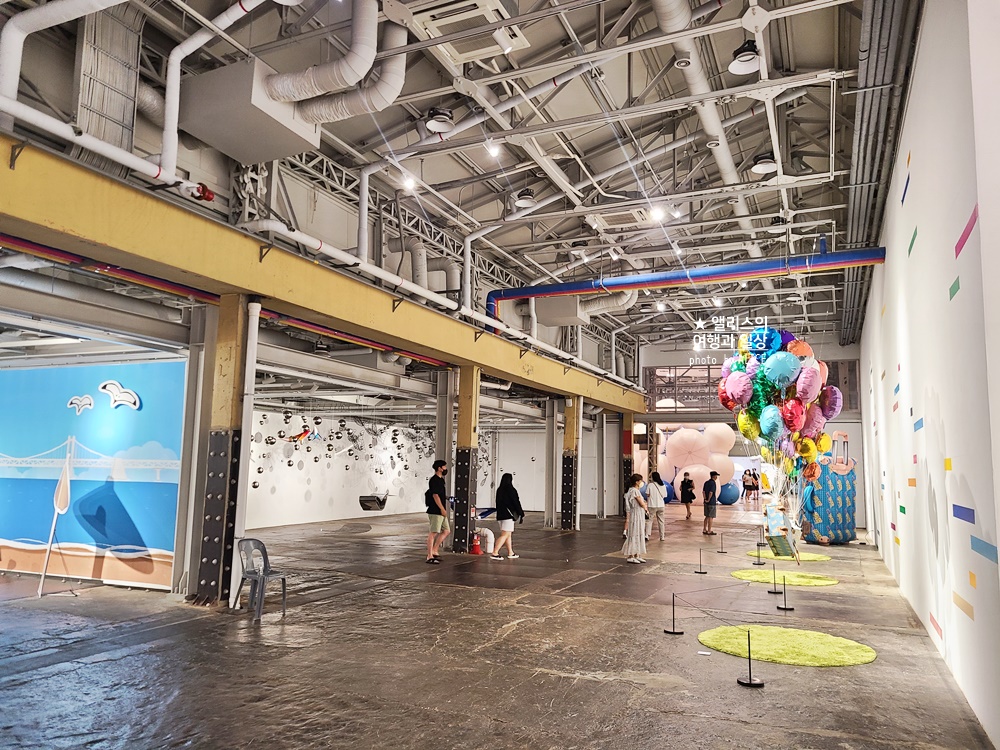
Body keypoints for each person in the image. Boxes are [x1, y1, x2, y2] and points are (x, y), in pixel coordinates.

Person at [491, 473, 524, 560]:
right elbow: (516, 502)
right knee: (505, 535)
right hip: (508, 516)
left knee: (507, 534)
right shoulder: (511, 490)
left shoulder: (499, 490)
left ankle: (510, 552)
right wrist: (521, 513)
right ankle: (495, 552)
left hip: (500, 516)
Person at [424, 459, 450, 564]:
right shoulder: (434, 480)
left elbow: (440, 494)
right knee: (433, 533)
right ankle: (429, 555)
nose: (445, 469)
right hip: (435, 511)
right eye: (444, 467)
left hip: (440, 510)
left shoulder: (441, 480)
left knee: (446, 531)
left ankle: (435, 550)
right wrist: (442, 509)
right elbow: (435, 495)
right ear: (439, 468)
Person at [622, 473, 648, 564]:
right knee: (634, 533)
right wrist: (645, 508)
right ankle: (631, 555)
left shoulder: (632, 490)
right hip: (636, 514)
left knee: (638, 532)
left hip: (638, 514)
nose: (641, 482)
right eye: (640, 481)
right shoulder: (634, 491)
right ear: (637, 482)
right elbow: (641, 503)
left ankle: (637, 554)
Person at [645, 472, 667, 542]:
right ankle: (662, 536)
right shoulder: (663, 485)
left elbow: (647, 494)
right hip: (661, 505)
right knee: (661, 521)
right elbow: (665, 495)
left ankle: (647, 535)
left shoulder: (650, 485)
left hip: (652, 505)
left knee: (649, 520)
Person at [703, 470, 720, 535]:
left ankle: (704, 529)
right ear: (714, 476)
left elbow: (703, 492)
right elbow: (711, 492)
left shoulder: (706, 482)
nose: (716, 477)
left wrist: (705, 499)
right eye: (716, 476)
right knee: (711, 516)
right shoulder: (713, 483)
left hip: (705, 502)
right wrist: (709, 499)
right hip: (711, 502)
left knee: (706, 516)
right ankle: (709, 530)